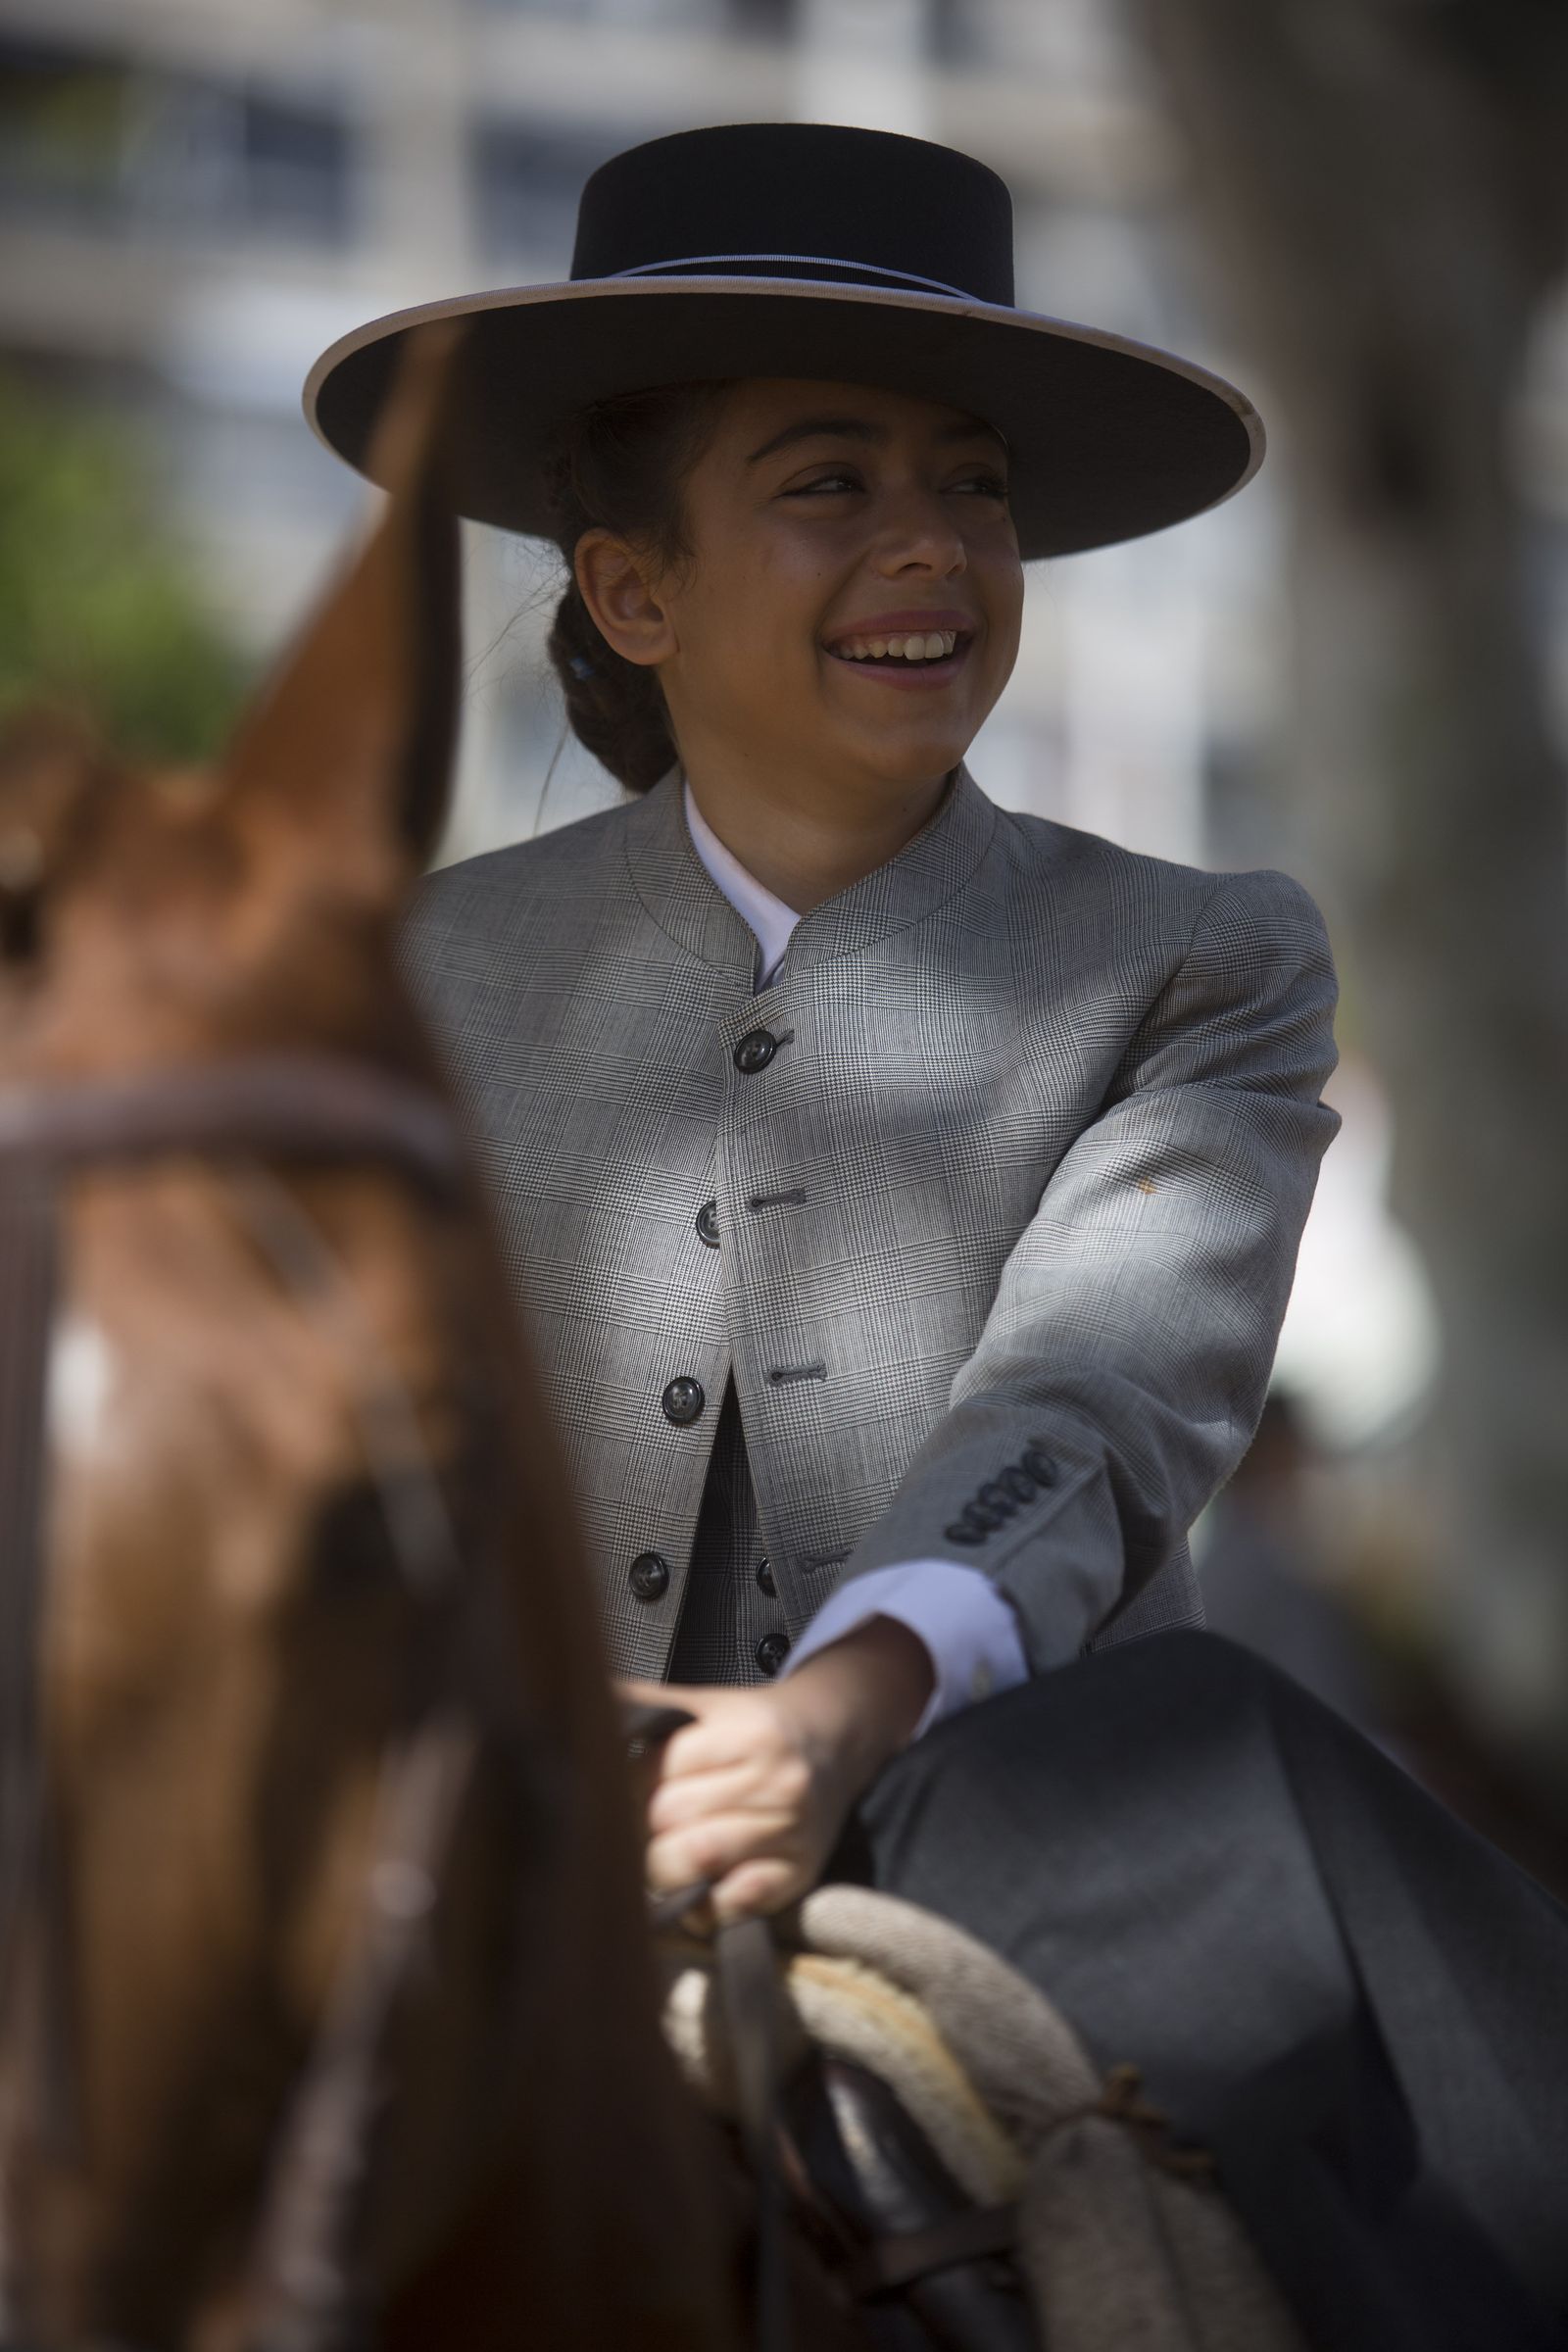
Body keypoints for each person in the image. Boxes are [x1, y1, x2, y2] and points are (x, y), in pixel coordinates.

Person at [307, 122, 1568, 2350]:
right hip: (465, 1859)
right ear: (632, 593)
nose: (933, 549)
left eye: (969, 484)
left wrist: (829, 1720)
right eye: (827, 483)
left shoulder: (1197, 958)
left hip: (1007, 1846)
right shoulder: (396, 979)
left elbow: (1095, 1393)